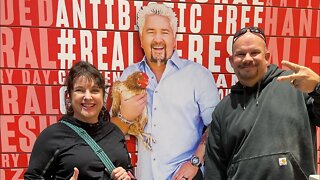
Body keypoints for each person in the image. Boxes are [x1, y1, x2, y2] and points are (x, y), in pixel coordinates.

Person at [110, 3, 220, 180]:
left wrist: (194, 162)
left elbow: (217, 126)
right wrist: (126, 116)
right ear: (141, 39)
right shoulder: (129, 75)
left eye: (165, 32)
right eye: (151, 32)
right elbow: (113, 133)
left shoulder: (198, 75)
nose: (158, 39)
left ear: (174, 39)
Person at [204, 27, 320, 180]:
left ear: (267, 57)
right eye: (240, 54)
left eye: (254, 52)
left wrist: (317, 88)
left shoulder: (296, 84)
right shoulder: (223, 110)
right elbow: (214, 170)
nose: (247, 59)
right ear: (232, 61)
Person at [24, 61, 133, 180]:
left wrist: (125, 176)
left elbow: (129, 171)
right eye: (80, 90)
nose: (88, 97)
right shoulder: (52, 136)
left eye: (95, 90)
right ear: (69, 96)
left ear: (103, 96)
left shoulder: (114, 133)